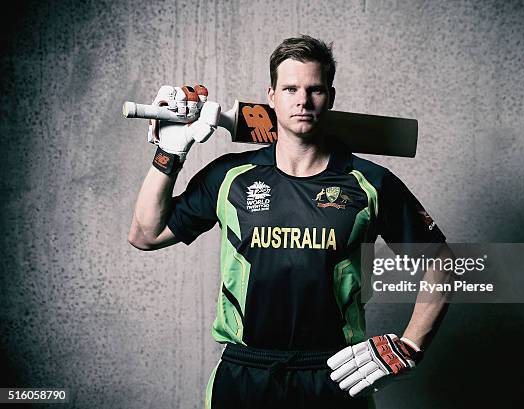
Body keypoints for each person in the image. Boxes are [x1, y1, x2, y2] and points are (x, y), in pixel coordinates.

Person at [128, 35, 452, 409]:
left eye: (314, 89)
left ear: (329, 97)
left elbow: (443, 263)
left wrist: (409, 346)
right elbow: (145, 234)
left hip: (336, 374)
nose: (302, 100)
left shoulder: (370, 184)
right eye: (290, 88)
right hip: (245, 374)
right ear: (271, 95)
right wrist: (168, 154)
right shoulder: (230, 177)